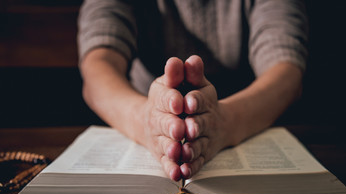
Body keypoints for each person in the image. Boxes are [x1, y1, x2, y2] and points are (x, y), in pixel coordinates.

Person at [77, 0, 308, 181]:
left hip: (246, 119)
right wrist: (146, 120)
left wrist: (225, 122)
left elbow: (286, 71)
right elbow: (98, 65)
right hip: (143, 115)